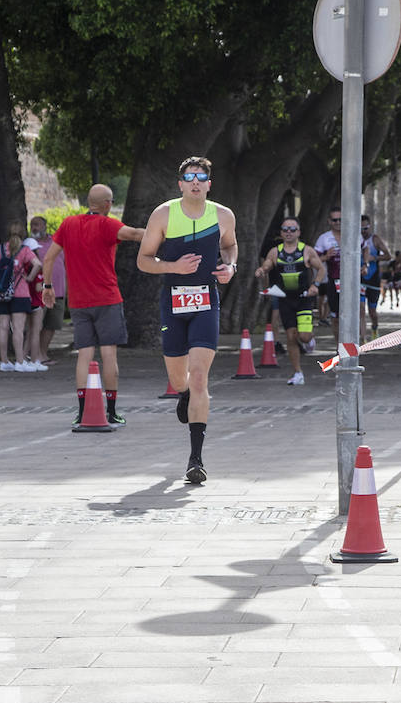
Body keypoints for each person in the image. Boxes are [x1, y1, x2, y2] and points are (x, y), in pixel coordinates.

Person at [137, 157, 238, 484]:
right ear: (180, 183)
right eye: (189, 177)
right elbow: (143, 260)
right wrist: (172, 267)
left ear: (210, 183)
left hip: (206, 301)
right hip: (173, 300)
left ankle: (196, 458)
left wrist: (230, 267)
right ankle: (183, 395)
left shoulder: (223, 215)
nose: (196, 182)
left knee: (199, 378)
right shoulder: (163, 214)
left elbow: (231, 246)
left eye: (202, 177)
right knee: (180, 379)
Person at [43, 183, 145, 428]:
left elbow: (49, 257)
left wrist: (48, 287)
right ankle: (110, 411)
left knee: (84, 356)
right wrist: (163, 230)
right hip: (107, 299)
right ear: (108, 204)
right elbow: (133, 234)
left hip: (79, 301)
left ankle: (82, 412)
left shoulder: (68, 224)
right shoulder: (107, 224)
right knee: (109, 354)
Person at [254, 215, 323, 386]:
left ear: (298, 232)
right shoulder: (276, 251)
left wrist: (315, 285)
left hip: (303, 299)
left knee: (304, 337)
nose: (289, 232)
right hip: (285, 300)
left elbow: (320, 269)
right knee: (291, 336)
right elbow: (268, 264)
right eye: (285, 229)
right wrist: (262, 270)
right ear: (281, 233)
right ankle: (297, 372)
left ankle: (309, 340)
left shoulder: (306, 250)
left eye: (292, 229)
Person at [0, 228, 42, 372]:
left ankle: (4, 361)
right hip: (20, 293)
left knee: (3, 327)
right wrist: (30, 277)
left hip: (2, 294)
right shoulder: (24, 250)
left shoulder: (0, 249)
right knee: (18, 329)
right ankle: (20, 361)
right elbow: (38, 264)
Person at [29, 215, 65, 363]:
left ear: (45, 226)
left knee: (52, 325)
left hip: (59, 290)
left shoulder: (57, 242)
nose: (34, 228)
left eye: (37, 224)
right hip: (39, 292)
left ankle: (43, 354)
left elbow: (66, 264)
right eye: (32, 225)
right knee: (37, 324)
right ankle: (33, 355)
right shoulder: (30, 245)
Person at [359, 215, 392, 339]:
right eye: (361, 228)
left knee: (372, 311)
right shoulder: (356, 239)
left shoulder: (375, 239)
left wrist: (374, 258)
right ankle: (362, 339)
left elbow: (388, 256)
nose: (363, 231)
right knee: (361, 309)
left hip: (373, 280)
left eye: (365, 228)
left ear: (370, 226)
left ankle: (374, 328)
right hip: (360, 279)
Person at [313, 206, 342, 330]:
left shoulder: (353, 234)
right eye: (335, 220)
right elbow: (313, 261)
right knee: (335, 317)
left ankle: (359, 343)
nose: (338, 223)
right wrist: (326, 256)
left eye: (341, 219)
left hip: (352, 282)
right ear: (329, 221)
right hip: (333, 280)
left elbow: (365, 248)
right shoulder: (324, 238)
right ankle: (338, 348)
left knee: (355, 313)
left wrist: (365, 264)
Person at [21, 236, 47, 367]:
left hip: (25, 301)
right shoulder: (37, 267)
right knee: (36, 332)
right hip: (36, 302)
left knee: (29, 332)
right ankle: (35, 360)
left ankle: (24, 357)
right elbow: (38, 287)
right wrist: (48, 286)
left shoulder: (23, 266)